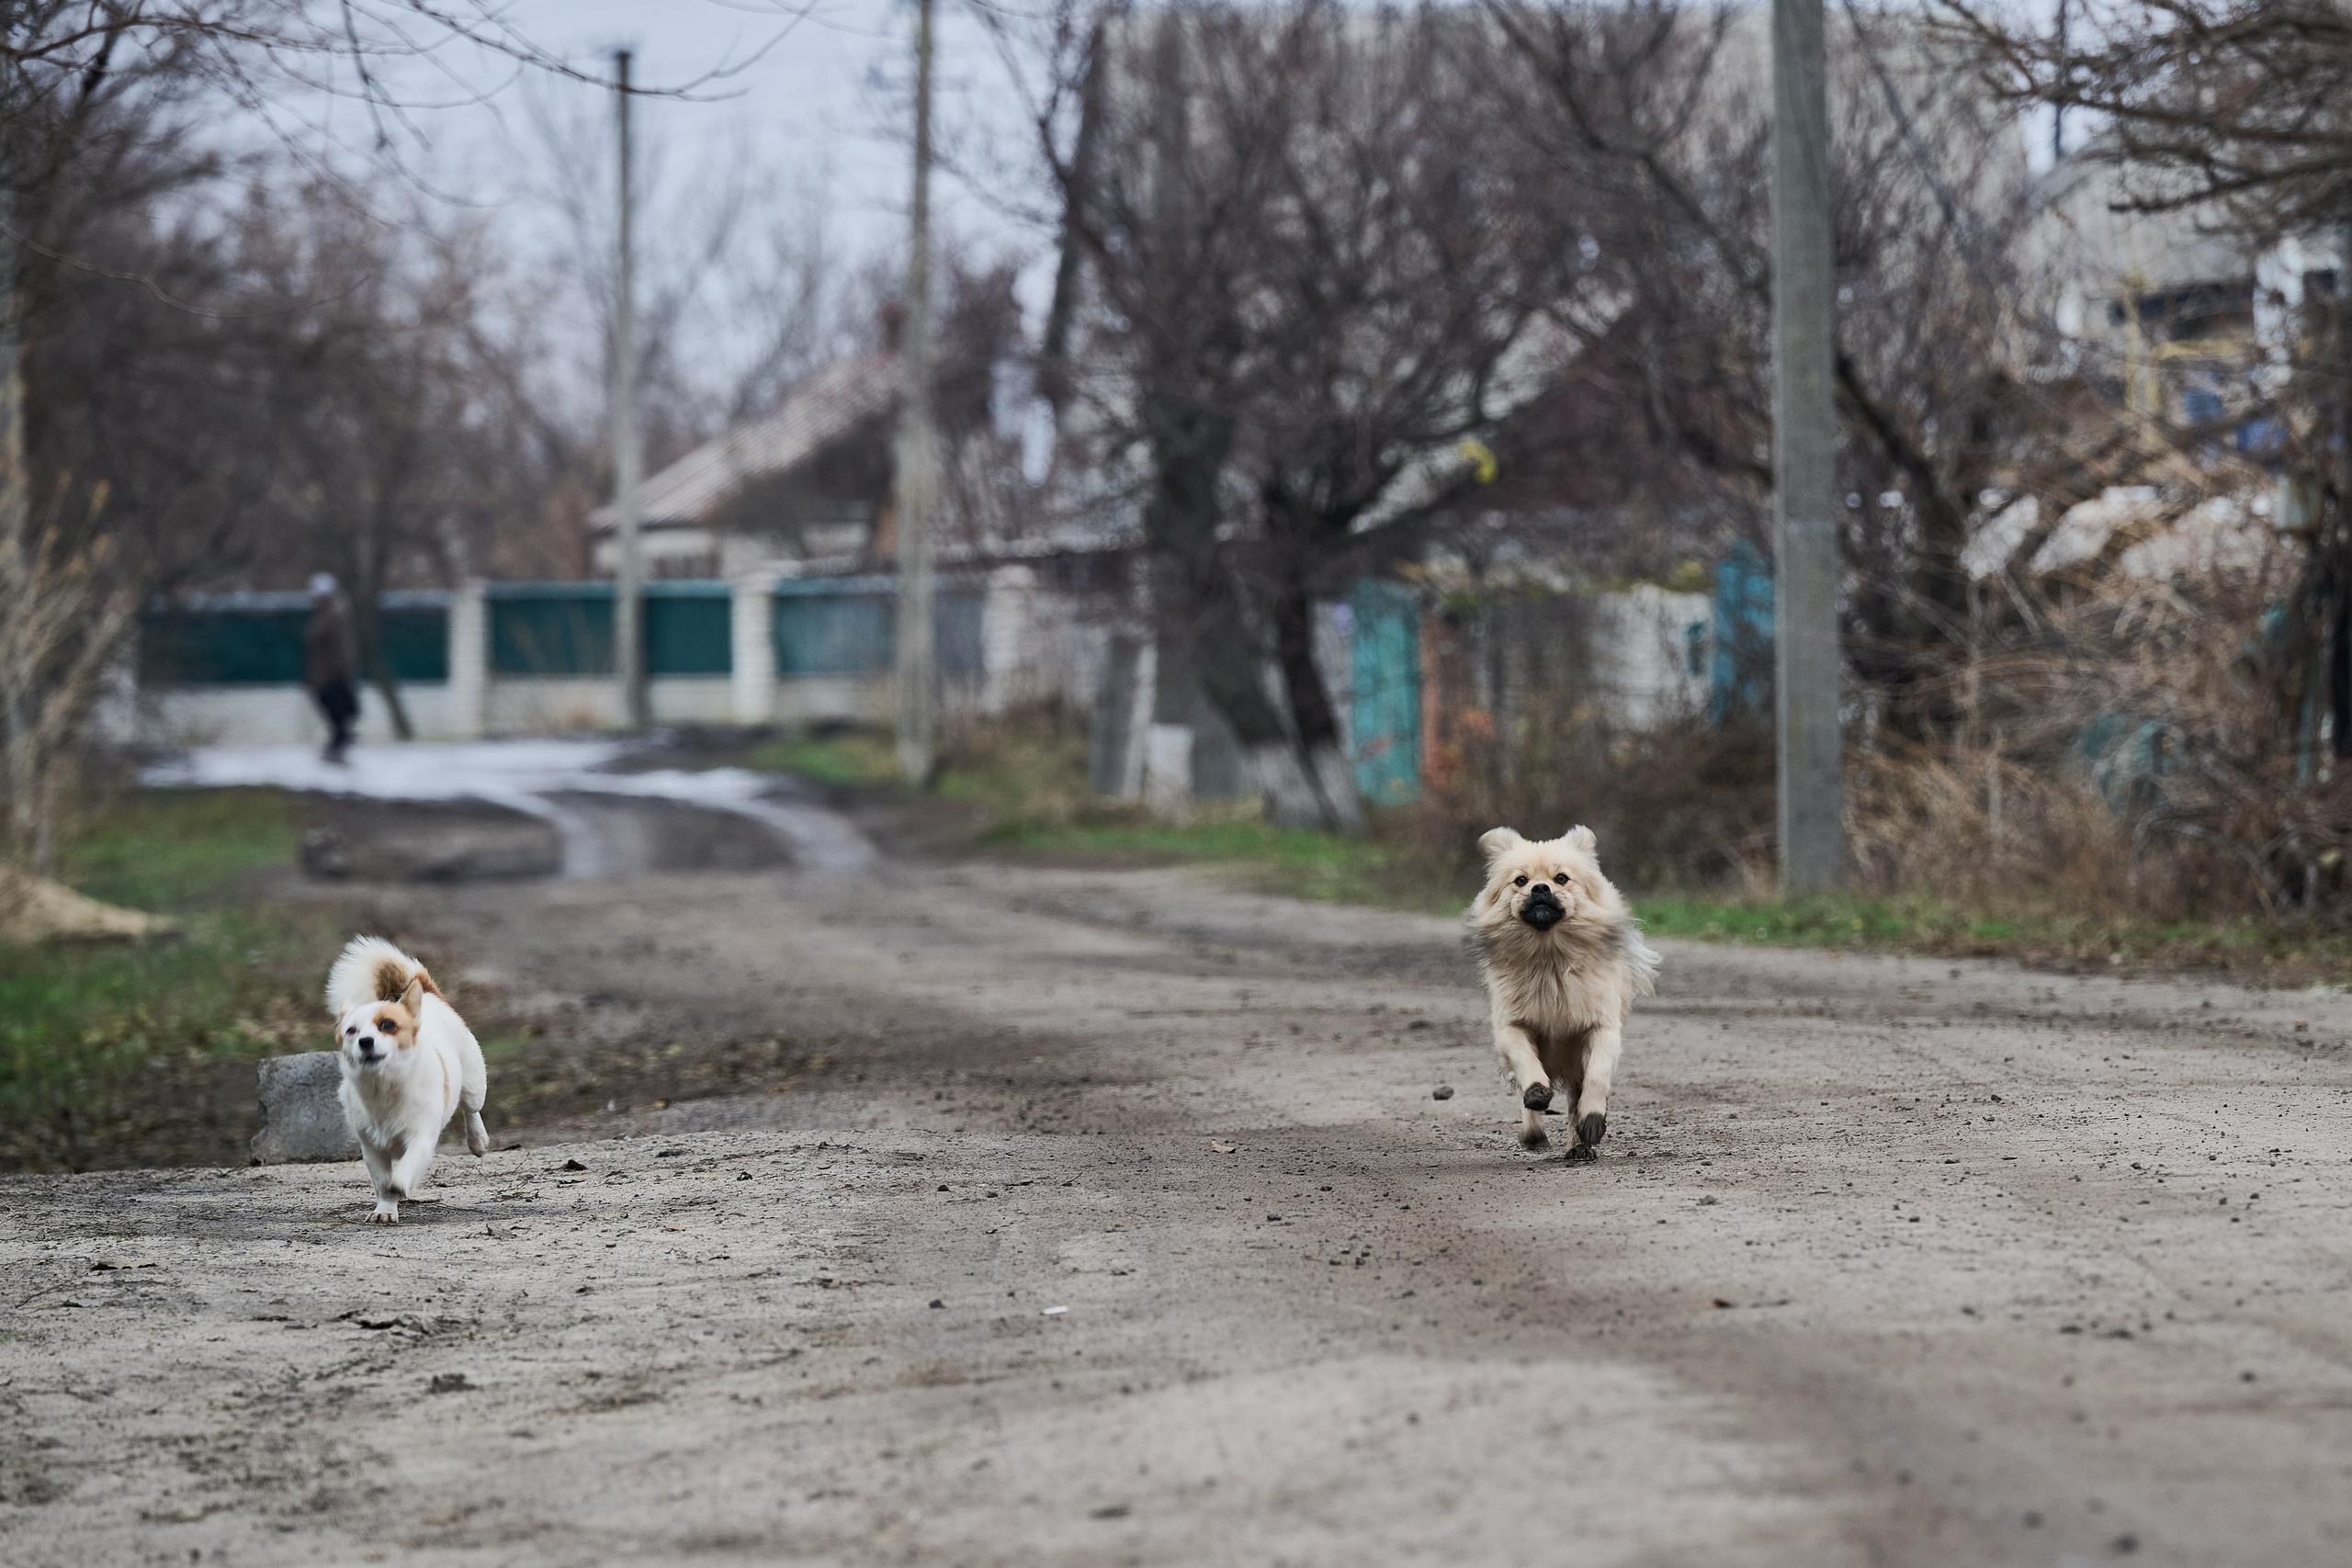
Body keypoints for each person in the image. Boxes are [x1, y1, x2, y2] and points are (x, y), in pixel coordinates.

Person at [305, 573, 360, 763]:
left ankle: (339, 743)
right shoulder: (326, 615)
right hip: (325, 675)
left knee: (337, 710)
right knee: (333, 711)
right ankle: (338, 742)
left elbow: (340, 648)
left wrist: (340, 672)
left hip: (332, 676)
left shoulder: (335, 616)